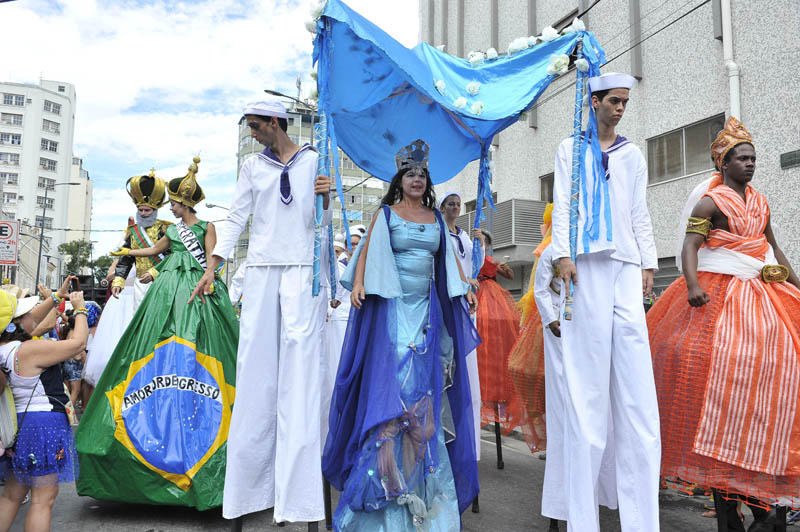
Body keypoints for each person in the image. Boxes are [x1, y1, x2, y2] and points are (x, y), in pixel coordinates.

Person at [647, 117, 800, 530]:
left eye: (753, 158)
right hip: (721, 291)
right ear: (724, 163)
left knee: (779, 360)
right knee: (716, 361)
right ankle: (727, 484)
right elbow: (690, 246)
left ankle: (762, 461)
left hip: (761, 288)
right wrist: (693, 284)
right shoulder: (709, 204)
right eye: (742, 158)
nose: (750, 164)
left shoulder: (762, 202)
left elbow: (774, 249)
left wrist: (798, 286)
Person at [323, 139, 480, 531]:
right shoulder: (386, 214)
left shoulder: (437, 218)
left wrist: (466, 284)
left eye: (422, 174)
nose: (416, 179)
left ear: (427, 182)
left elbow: (447, 261)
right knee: (390, 397)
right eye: (410, 173)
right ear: (400, 180)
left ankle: (421, 499)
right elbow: (365, 256)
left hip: (427, 313)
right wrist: (358, 285)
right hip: (392, 313)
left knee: (421, 400)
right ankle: (380, 496)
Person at [190, 100, 332, 525]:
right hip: (263, 272)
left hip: (304, 273)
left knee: (300, 384)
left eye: (256, 126)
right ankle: (248, 495)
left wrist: (326, 198)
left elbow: (322, 224)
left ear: (276, 123)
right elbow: (236, 219)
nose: (252, 133)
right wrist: (212, 265)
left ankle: (301, 501)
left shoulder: (317, 158)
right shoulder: (253, 167)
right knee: (255, 380)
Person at [76, 157, 238, 510]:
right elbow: (154, 251)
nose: (172, 209)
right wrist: (127, 252)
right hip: (165, 288)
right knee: (152, 334)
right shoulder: (171, 232)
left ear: (184, 204)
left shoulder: (206, 226)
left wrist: (211, 280)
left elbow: (213, 258)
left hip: (196, 286)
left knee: (201, 339)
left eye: (175, 204)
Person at [552, 72, 660, 532]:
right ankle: (582, 521)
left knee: (637, 396)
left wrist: (650, 262)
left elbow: (639, 209)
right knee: (587, 394)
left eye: (625, 103)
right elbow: (562, 203)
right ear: (593, 101)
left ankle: (641, 522)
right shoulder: (569, 150)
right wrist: (562, 255)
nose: (620, 109)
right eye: (614, 101)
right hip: (586, 266)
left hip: (626, 267)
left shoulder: (632, 154)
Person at [0, 278, 86, 532]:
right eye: (24, 312)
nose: (32, 314)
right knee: (42, 499)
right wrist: (80, 309)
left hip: (19, 426)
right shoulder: (27, 350)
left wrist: (58, 296)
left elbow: (29, 319)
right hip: (42, 425)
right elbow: (78, 344)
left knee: (12, 495)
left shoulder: (5, 347)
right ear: (14, 323)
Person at [439, 191, 484, 462]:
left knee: (469, 368)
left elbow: (473, 267)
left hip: (468, 303)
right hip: (450, 301)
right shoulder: (439, 232)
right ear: (442, 207)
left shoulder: (466, 236)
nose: (455, 208)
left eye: (458, 204)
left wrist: (482, 245)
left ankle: (470, 442)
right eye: (451, 204)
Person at [475, 231, 523, 435]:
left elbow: (510, 276)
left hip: (491, 299)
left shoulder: (490, 260)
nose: (480, 244)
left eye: (482, 241)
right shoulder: (471, 257)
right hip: (476, 295)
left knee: (495, 340)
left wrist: (500, 266)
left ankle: (494, 394)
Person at [111, 170, 173, 307]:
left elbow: (173, 256)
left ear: (155, 211)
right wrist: (119, 281)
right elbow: (126, 259)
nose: (143, 213)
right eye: (141, 210)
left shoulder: (166, 229)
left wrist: (155, 272)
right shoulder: (133, 232)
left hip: (162, 280)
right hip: (140, 284)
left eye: (147, 210)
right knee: (139, 320)